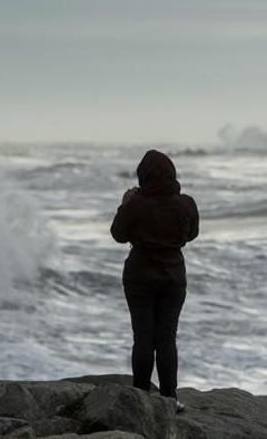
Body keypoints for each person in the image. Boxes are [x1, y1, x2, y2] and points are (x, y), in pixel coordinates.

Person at [110, 149, 199, 410]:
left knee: (143, 338)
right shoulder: (186, 203)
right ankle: (170, 399)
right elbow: (192, 234)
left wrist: (124, 204)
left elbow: (118, 234)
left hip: (140, 275)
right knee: (167, 338)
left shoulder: (136, 203)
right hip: (173, 275)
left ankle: (140, 397)